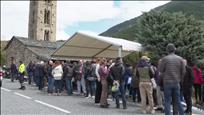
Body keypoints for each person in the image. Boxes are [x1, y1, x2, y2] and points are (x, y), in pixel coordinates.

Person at [159, 43, 185, 115]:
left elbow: (160, 70)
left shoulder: (165, 59)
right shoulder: (180, 59)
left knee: (167, 101)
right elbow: (183, 71)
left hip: (167, 82)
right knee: (178, 101)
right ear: (174, 50)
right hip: (176, 82)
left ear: (167, 50)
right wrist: (180, 80)